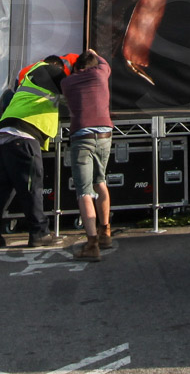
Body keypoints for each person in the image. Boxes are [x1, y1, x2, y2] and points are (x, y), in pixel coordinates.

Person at [0, 54, 68, 249]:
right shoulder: (51, 70)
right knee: (32, 187)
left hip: (4, 134)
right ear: (57, 65)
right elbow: (74, 91)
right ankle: (39, 232)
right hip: (24, 137)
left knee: (2, 188)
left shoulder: (30, 79)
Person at [62, 48, 115, 261]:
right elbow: (104, 63)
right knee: (100, 182)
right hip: (104, 134)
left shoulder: (67, 83)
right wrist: (95, 52)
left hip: (82, 136)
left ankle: (92, 244)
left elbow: (66, 76)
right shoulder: (101, 73)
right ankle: (106, 233)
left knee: (84, 191)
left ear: (77, 68)